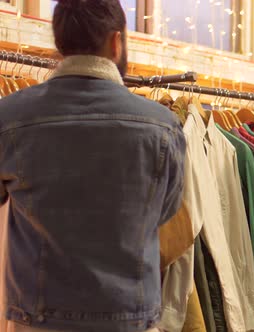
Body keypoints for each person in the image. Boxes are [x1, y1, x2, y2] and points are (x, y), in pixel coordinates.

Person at [0, 0, 185, 331]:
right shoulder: (162, 125)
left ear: (59, 43)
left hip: (39, 320)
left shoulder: (9, 117)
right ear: (116, 42)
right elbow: (165, 210)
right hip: (130, 319)